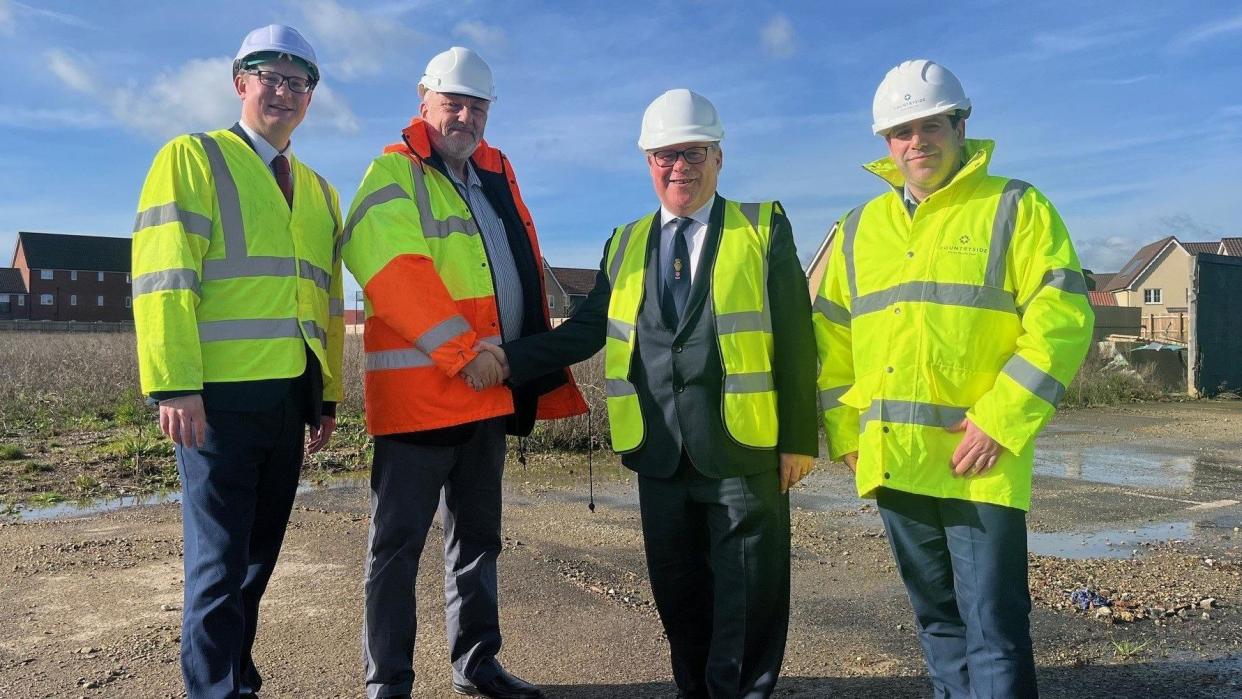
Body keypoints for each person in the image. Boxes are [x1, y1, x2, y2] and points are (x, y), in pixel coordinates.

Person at [477, 89, 818, 699]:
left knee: (749, 595)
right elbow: (585, 329)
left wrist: (797, 438)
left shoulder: (763, 227)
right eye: (665, 155)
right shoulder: (626, 241)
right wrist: (507, 359)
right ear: (648, 162)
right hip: (658, 454)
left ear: (718, 158)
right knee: (678, 595)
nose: (678, 167)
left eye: (692, 153)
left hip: (743, 448)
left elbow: (796, 338)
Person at [812, 59, 1094, 698]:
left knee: (993, 630)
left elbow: (1063, 319)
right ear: (886, 142)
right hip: (894, 459)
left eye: (931, 125)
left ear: (961, 125)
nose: (919, 142)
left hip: (978, 460)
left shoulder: (1015, 207)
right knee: (937, 625)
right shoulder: (858, 230)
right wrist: (844, 428)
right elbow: (831, 336)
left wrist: (1002, 420)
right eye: (903, 131)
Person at [339, 46, 586, 699]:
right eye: (455, 102)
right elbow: (395, 270)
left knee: (477, 542)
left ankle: (476, 664)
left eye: (478, 106)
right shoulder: (393, 174)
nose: (466, 116)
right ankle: (387, 680)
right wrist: (463, 354)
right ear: (424, 97)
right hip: (423, 399)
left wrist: (513, 362)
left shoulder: (495, 173)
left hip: (487, 397)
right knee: (396, 550)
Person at [131, 24, 344, 699]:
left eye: (297, 80)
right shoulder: (192, 158)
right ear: (240, 82)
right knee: (219, 560)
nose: (282, 90)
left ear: (311, 96)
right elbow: (165, 277)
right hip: (214, 399)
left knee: (257, 558)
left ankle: (236, 674)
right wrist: (174, 384)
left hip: (286, 399)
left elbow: (326, 301)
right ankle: (214, 688)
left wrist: (326, 396)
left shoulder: (318, 190)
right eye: (268, 75)